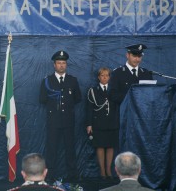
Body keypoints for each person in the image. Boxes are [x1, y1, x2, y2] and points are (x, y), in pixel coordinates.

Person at [39, 50, 82, 182]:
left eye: (64, 63)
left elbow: (77, 98)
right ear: (54, 65)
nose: (62, 65)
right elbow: (42, 99)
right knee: (52, 149)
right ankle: (50, 176)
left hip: (68, 120)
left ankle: (72, 176)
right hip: (53, 121)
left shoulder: (72, 80)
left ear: (66, 64)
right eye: (59, 63)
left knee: (70, 149)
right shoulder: (48, 81)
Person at [86, 67, 118, 179]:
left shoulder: (114, 90)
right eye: (102, 75)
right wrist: (89, 124)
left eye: (107, 75)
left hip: (112, 122)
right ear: (99, 77)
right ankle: (102, 171)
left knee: (110, 146)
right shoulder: (93, 91)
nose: (105, 77)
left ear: (109, 77)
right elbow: (89, 109)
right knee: (100, 146)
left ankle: (109, 170)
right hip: (98, 123)